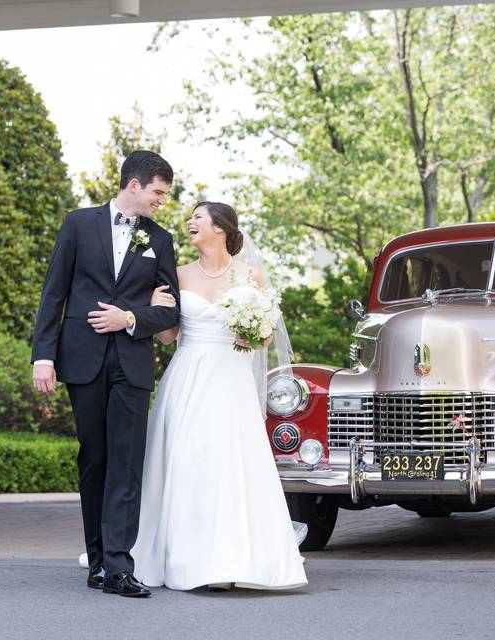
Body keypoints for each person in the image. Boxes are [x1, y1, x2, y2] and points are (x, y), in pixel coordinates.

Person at [131, 201, 307, 591]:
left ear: (221, 228)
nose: (190, 222)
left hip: (230, 381)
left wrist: (253, 335)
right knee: (187, 460)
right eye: (190, 217)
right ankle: (185, 557)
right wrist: (153, 308)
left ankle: (230, 558)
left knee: (228, 464)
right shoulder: (177, 275)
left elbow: (264, 337)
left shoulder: (250, 277)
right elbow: (167, 336)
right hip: (188, 376)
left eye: (198, 217)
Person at [31, 151, 180, 598]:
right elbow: (54, 291)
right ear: (133, 185)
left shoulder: (161, 240)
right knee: (94, 458)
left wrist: (130, 318)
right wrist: (44, 355)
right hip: (83, 358)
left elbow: (171, 314)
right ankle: (96, 561)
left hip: (132, 363)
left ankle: (120, 566)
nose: (161, 202)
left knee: (127, 462)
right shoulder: (78, 224)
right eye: (158, 192)